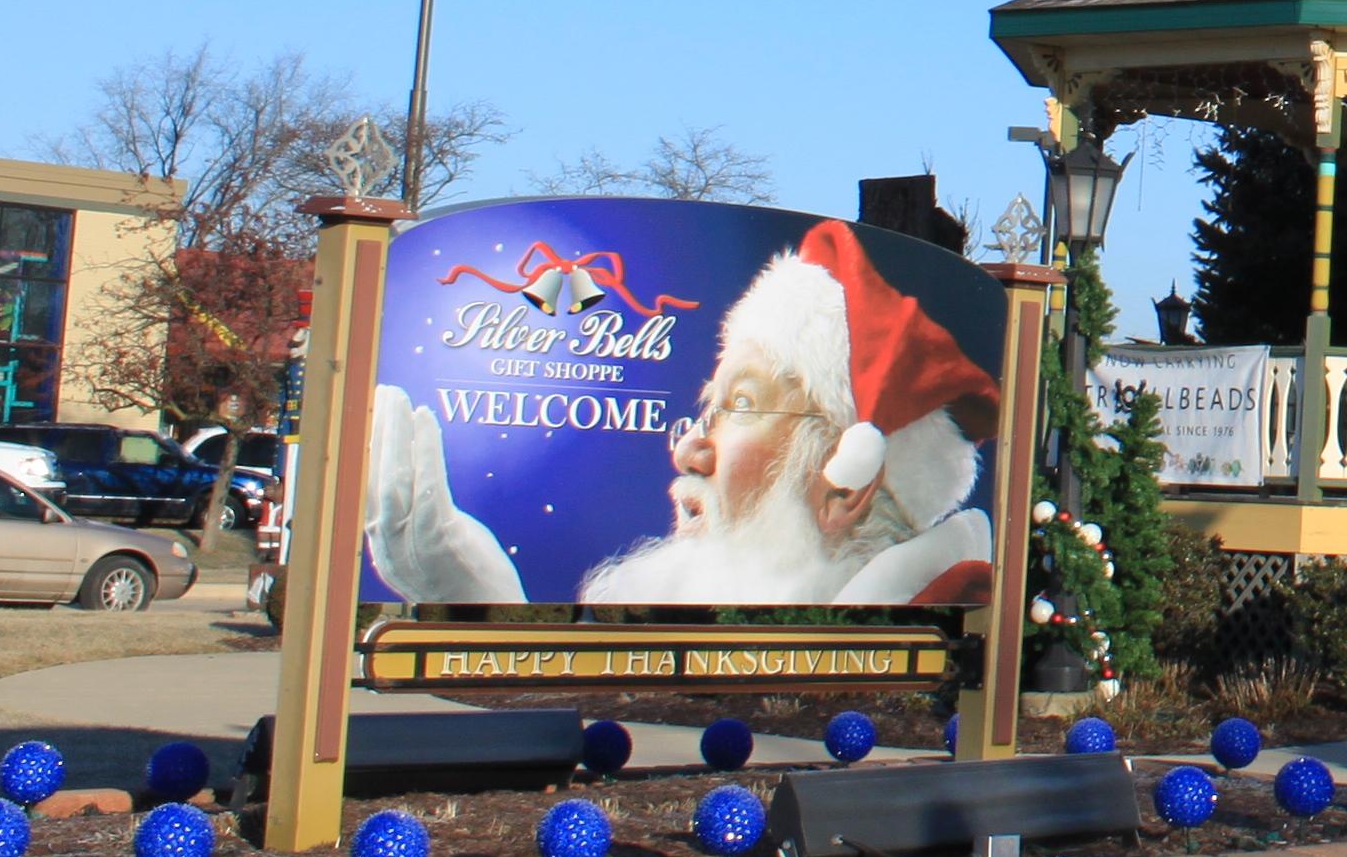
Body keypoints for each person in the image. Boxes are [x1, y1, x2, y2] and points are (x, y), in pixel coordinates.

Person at [367, 219, 999, 608]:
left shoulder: (937, 618)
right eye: (707, 412)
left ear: (846, 489)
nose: (690, 452)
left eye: (743, 405)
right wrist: (478, 602)